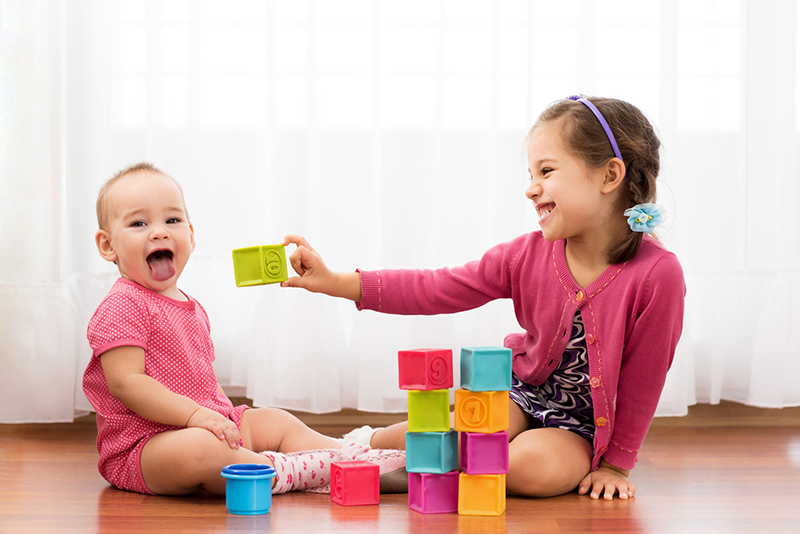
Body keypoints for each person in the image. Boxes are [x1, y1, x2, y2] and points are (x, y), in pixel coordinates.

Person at [281, 96, 685, 501]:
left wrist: (616, 464)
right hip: (520, 395)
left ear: (609, 175)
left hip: (580, 428)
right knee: (462, 433)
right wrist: (336, 282)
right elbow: (438, 287)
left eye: (546, 170)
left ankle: (401, 473)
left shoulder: (657, 275)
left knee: (529, 471)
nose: (530, 188)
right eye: (530, 174)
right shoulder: (524, 255)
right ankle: (359, 446)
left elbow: (643, 381)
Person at [83, 162, 405, 497]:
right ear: (108, 246)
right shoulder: (122, 303)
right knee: (201, 450)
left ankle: (346, 455)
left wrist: (217, 419)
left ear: (191, 236)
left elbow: (198, 382)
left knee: (274, 421)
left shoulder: (191, 307)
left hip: (210, 422)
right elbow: (126, 382)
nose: (160, 232)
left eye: (172, 220)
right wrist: (195, 416)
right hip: (145, 447)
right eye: (139, 223)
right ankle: (290, 470)